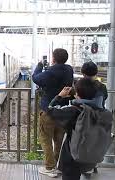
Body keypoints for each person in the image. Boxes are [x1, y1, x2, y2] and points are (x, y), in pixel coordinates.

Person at [47, 78, 105, 180]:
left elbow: (50, 110)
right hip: (90, 154)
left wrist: (60, 96)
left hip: (72, 155)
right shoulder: (100, 110)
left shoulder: (74, 110)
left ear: (78, 94)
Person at [32, 48, 73, 177]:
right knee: (59, 139)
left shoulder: (51, 71)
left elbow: (36, 78)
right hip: (63, 112)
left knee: (46, 139)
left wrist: (39, 66)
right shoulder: (69, 69)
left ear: (53, 59)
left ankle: (50, 168)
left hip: (49, 110)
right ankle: (59, 166)